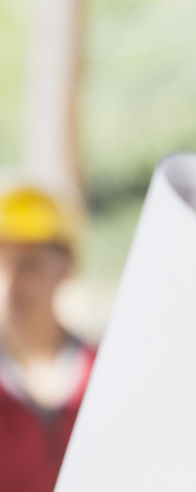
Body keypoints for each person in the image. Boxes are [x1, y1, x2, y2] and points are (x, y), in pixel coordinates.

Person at [0, 184, 96, 492]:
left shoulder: (107, 373)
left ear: (66, 266)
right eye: (1, 263)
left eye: (29, 265)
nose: (11, 281)